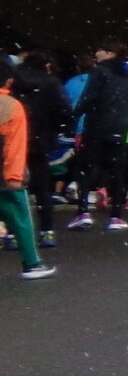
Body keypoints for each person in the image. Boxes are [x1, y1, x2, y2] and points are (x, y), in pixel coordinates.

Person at [71, 44, 128, 230]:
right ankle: (115, 216)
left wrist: (72, 116)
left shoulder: (99, 72)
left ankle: (83, 212)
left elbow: (89, 98)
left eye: (100, 50)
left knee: (86, 168)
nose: (96, 53)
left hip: (97, 127)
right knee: (117, 172)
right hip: (119, 129)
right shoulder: (127, 75)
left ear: (110, 53)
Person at [0, 67, 58, 280]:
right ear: (8, 81)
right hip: (4, 174)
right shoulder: (11, 106)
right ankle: (32, 263)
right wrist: (14, 175)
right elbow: (14, 145)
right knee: (21, 219)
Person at [6, 49, 66, 248]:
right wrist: (54, 128)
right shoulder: (51, 83)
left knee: (11, 187)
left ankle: (13, 233)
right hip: (40, 141)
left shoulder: (13, 81)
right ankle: (46, 231)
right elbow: (64, 110)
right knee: (42, 188)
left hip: (13, 139)